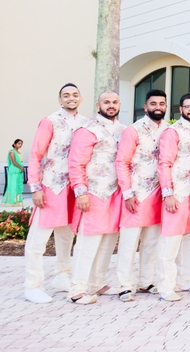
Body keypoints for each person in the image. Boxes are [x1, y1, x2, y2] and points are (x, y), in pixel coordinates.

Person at [24, 83, 87, 304]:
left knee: (66, 236)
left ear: (80, 98)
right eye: (66, 95)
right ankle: (32, 285)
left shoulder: (85, 124)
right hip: (50, 186)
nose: (71, 98)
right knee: (38, 239)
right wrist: (36, 187)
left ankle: (62, 275)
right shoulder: (49, 122)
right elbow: (35, 155)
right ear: (60, 100)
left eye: (75, 94)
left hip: (73, 189)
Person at [66, 91, 125, 304]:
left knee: (109, 239)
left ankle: (98, 282)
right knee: (88, 240)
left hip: (116, 193)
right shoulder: (87, 130)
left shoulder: (123, 130)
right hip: (93, 192)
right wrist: (80, 191)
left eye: (115, 102)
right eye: (106, 102)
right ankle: (77, 289)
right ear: (97, 104)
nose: (111, 105)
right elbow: (76, 163)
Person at [115, 89, 169, 302]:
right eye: (153, 103)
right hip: (136, 195)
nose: (158, 107)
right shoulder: (133, 130)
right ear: (145, 107)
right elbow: (122, 162)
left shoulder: (169, 130)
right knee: (129, 243)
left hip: (159, 195)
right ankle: (125, 286)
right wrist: (127, 192)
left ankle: (146, 281)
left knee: (152, 242)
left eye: (162, 103)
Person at [155, 93, 190, 302]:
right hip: (176, 193)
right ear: (181, 109)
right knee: (170, 241)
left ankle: (184, 281)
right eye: (188, 106)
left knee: (187, 240)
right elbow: (164, 163)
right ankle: (165, 286)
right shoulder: (172, 132)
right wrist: (168, 193)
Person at [3, 139, 24, 206]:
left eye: (21, 144)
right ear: (14, 144)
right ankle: (11, 201)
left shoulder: (18, 152)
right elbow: (14, 162)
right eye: (18, 143)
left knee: (18, 185)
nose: (20, 145)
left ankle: (17, 201)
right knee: (13, 185)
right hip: (14, 170)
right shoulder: (12, 152)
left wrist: (21, 168)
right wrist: (20, 167)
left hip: (19, 170)